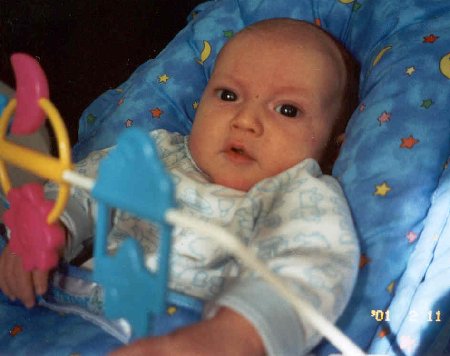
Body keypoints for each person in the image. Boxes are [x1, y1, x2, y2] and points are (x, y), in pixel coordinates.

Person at [0, 18, 360, 355]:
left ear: (333, 146)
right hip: (68, 312)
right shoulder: (158, 152)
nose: (245, 120)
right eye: (228, 95)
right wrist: (47, 228)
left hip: (191, 334)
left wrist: (236, 336)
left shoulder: (301, 194)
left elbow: (311, 264)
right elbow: (82, 186)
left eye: (287, 110)